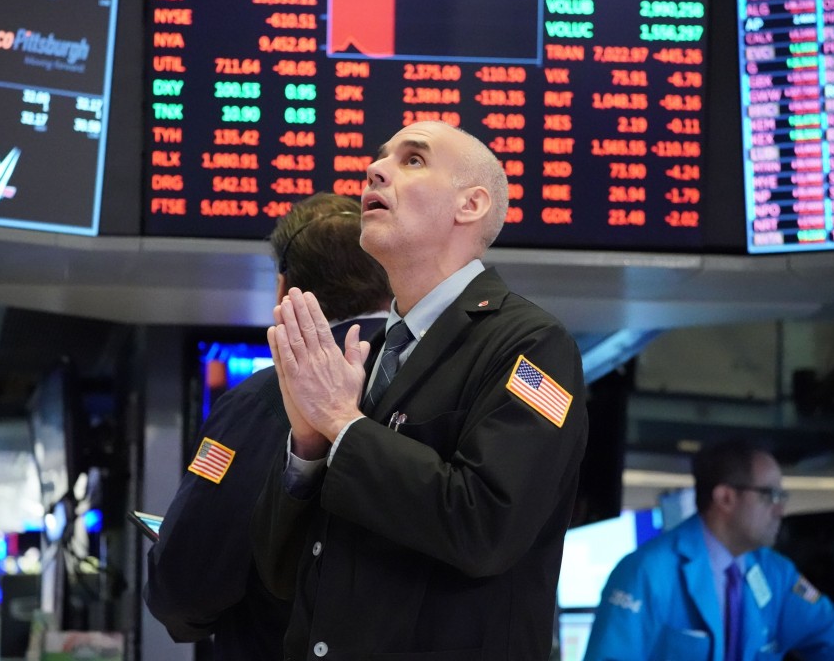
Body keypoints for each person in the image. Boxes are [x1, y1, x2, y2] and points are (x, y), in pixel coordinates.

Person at [252, 120, 589, 660]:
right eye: (381, 157)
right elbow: (280, 573)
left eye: (413, 160)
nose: (375, 169)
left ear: (471, 205)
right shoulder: (371, 354)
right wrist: (309, 448)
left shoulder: (533, 346)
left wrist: (343, 425)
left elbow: (486, 526)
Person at [143, 193, 391, 659]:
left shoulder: (264, 400)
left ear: (283, 291)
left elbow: (187, 584)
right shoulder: (435, 378)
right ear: (390, 279)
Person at [583, 439, 834, 660]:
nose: (781, 510)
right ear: (725, 497)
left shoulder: (774, 573)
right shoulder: (646, 572)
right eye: (771, 495)